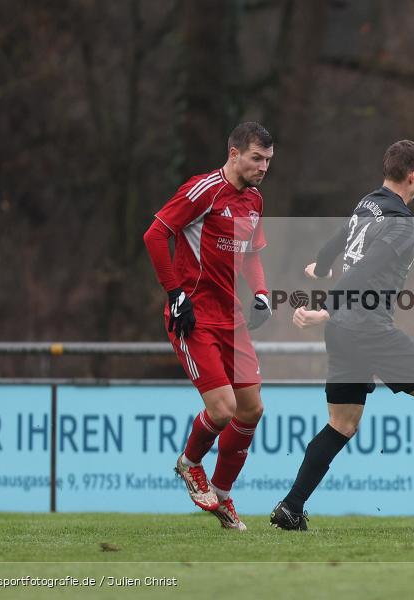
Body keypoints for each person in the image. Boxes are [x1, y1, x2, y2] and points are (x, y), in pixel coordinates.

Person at [269, 140, 414, 530]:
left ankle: (291, 507)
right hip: (367, 327)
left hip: (343, 333)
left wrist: (323, 265)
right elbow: (368, 268)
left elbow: (339, 238)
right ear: (413, 176)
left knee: (342, 423)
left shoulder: (367, 203)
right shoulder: (403, 224)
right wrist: (328, 304)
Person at [142, 122, 275, 531]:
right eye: (256, 158)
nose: (263, 167)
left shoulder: (253, 200)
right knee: (223, 409)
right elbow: (155, 234)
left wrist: (262, 292)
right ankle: (189, 461)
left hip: (230, 316)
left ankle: (220, 494)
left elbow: (251, 255)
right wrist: (174, 293)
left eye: (268, 160)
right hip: (194, 316)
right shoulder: (203, 190)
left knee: (252, 409)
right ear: (233, 153)